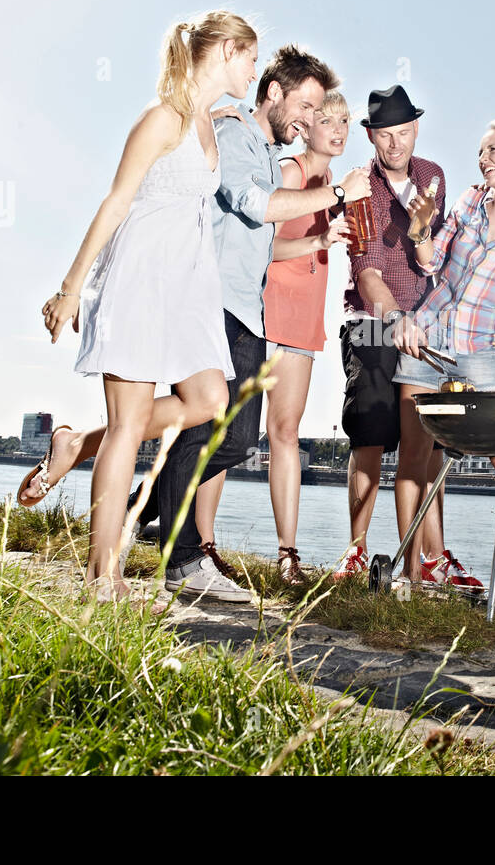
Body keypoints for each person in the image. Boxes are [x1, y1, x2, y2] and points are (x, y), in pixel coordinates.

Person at [18, 11, 256, 601]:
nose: (255, 68)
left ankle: (74, 444)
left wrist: (217, 113)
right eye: (251, 56)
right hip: (137, 281)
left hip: (185, 293)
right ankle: (103, 576)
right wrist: (70, 287)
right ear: (227, 50)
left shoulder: (206, 122)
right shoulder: (162, 121)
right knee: (129, 426)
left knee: (209, 399)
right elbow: (116, 202)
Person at [133, 44, 365, 601]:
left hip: (243, 308)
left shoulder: (262, 150)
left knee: (233, 438)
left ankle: (139, 508)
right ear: (274, 93)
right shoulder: (238, 135)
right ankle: (182, 557)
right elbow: (249, 202)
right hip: (212, 301)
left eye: (318, 111)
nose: (308, 120)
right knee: (220, 430)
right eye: (304, 107)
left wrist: (317, 236)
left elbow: (267, 238)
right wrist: (335, 193)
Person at [394, 119, 495, 607]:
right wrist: (419, 225)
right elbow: (429, 262)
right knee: (415, 459)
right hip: (428, 341)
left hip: (482, 351)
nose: (483, 158)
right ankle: (411, 578)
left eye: (492, 149)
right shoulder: (467, 201)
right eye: (480, 151)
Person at [332, 85, 481, 591]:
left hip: (429, 325)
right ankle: (356, 549)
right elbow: (366, 267)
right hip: (373, 322)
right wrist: (395, 318)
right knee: (372, 435)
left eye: (403, 132)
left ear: (415, 128)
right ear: (370, 135)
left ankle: (432, 558)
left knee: (430, 442)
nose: (394, 144)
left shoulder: (433, 177)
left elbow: (434, 254)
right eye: (384, 135)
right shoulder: (358, 187)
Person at [261, 90, 353, 582]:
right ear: (308, 125)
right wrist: (318, 239)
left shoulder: (333, 181)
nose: (338, 130)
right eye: (328, 120)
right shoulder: (292, 172)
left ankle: (287, 554)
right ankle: (200, 542)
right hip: (267, 312)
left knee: (285, 433)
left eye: (345, 121)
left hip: (304, 318)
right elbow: (263, 244)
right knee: (223, 430)